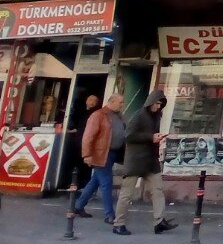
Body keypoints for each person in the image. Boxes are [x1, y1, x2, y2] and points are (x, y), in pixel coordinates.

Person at [113, 90, 178, 236]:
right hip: (136, 160)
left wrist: (157, 138)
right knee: (126, 194)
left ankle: (159, 221)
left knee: (158, 190)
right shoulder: (139, 115)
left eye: (161, 104)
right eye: (157, 103)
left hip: (150, 160)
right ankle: (118, 223)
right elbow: (129, 135)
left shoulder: (157, 116)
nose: (159, 106)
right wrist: (151, 137)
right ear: (151, 102)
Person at [74, 93, 125, 223]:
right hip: (101, 153)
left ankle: (78, 206)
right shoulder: (98, 115)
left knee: (95, 181)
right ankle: (109, 214)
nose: (122, 105)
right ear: (111, 101)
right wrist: (87, 154)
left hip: (112, 153)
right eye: (120, 102)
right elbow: (88, 136)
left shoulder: (118, 116)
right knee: (106, 182)